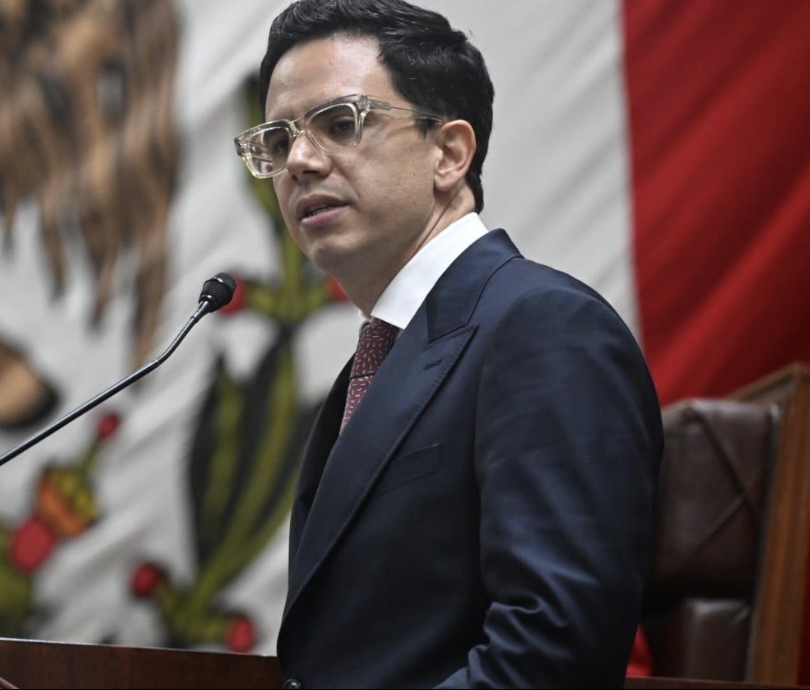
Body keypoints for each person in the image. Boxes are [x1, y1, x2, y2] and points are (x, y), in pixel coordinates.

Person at [233, 0, 664, 687]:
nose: (301, 162)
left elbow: (555, 651)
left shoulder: (545, 328)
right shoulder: (381, 360)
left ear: (449, 153)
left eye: (340, 124)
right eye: (280, 142)